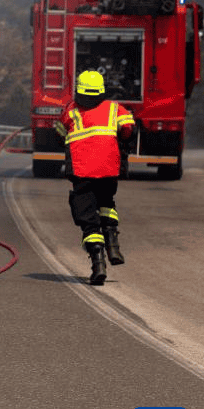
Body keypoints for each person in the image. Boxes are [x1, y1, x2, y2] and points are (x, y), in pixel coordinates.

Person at [55, 70, 135, 286]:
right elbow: (128, 129)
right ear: (101, 91)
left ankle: (98, 264)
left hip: (82, 172)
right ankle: (113, 245)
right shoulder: (115, 108)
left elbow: (60, 133)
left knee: (89, 221)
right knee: (107, 203)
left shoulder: (70, 111)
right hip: (109, 169)